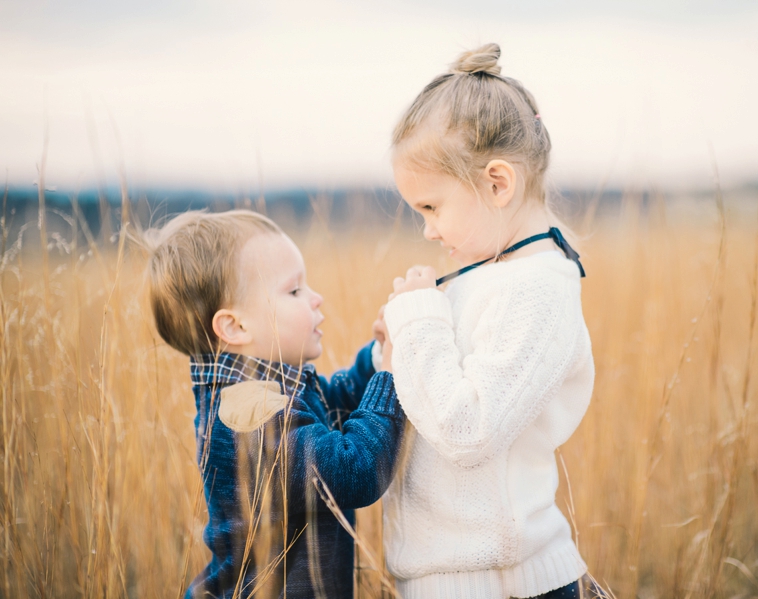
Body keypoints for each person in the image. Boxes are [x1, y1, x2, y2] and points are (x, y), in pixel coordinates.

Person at [382, 44, 603, 599]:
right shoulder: (492, 277)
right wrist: (398, 347)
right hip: (459, 579)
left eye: (432, 207)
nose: (428, 231)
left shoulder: (536, 289)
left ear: (498, 183)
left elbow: (467, 429)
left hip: (503, 583)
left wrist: (418, 327)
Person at [143, 209, 405, 599]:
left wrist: (380, 355)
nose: (316, 298)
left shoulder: (261, 393)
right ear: (235, 327)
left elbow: (333, 409)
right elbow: (355, 471)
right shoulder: (248, 417)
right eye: (294, 291)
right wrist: (392, 372)